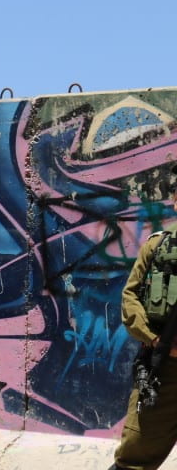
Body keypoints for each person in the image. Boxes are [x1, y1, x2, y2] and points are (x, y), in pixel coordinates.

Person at [112, 191, 177, 470]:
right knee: (135, 455)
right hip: (165, 370)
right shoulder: (158, 246)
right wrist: (154, 339)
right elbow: (131, 296)